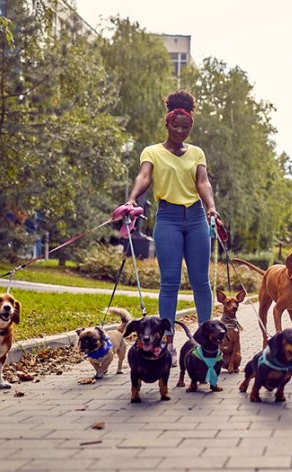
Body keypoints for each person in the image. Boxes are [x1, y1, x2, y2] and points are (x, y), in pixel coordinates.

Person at [119, 90, 220, 352]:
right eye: (175, 125)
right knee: (170, 281)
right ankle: (167, 341)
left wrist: (211, 208)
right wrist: (131, 200)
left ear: (190, 127)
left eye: (185, 126)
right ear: (167, 123)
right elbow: (143, 177)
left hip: (196, 217)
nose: (180, 130)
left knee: (201, 281)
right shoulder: (152, 152)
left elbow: (202, 182)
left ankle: (205, 339)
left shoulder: (197, 152)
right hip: (168, 219)